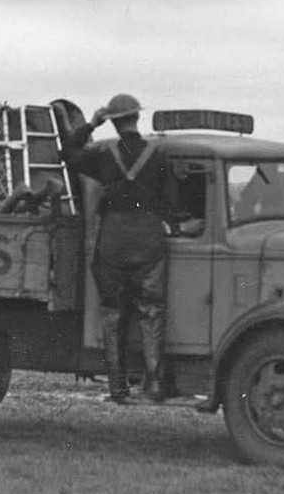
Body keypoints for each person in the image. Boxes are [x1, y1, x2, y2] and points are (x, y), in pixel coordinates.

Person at [63, 94, 192, 403]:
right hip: (148, 238)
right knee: (152, 310)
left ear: (114, 120)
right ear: (137, 118)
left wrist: (91, 124)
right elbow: (173, 207)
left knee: (112, 313)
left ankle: (117, 389)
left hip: (112, 240)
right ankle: (155, 384)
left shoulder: (104, 156)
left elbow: (67, 153)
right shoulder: (159, 157)